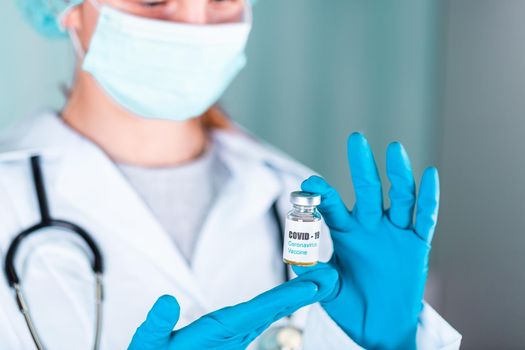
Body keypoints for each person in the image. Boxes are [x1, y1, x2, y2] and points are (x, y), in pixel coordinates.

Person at [0, 0, 462, 349]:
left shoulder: (302, 206)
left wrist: (392, 343)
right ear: (67, 10)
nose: (195, 24)